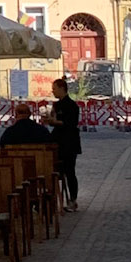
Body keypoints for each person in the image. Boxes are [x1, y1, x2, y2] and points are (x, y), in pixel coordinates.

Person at [47, 76, 82, 210]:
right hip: (57, 143)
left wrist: (55, 122)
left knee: (70, 172)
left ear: (62, 89)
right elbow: (54, 119)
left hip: (69, 143)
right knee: (59, 172)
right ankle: (60, 199)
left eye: (54, 89)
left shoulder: (72, 106)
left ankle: (73, 200)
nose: (53, 92)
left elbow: (71, 124)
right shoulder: (56, 105)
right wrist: (51, 119)